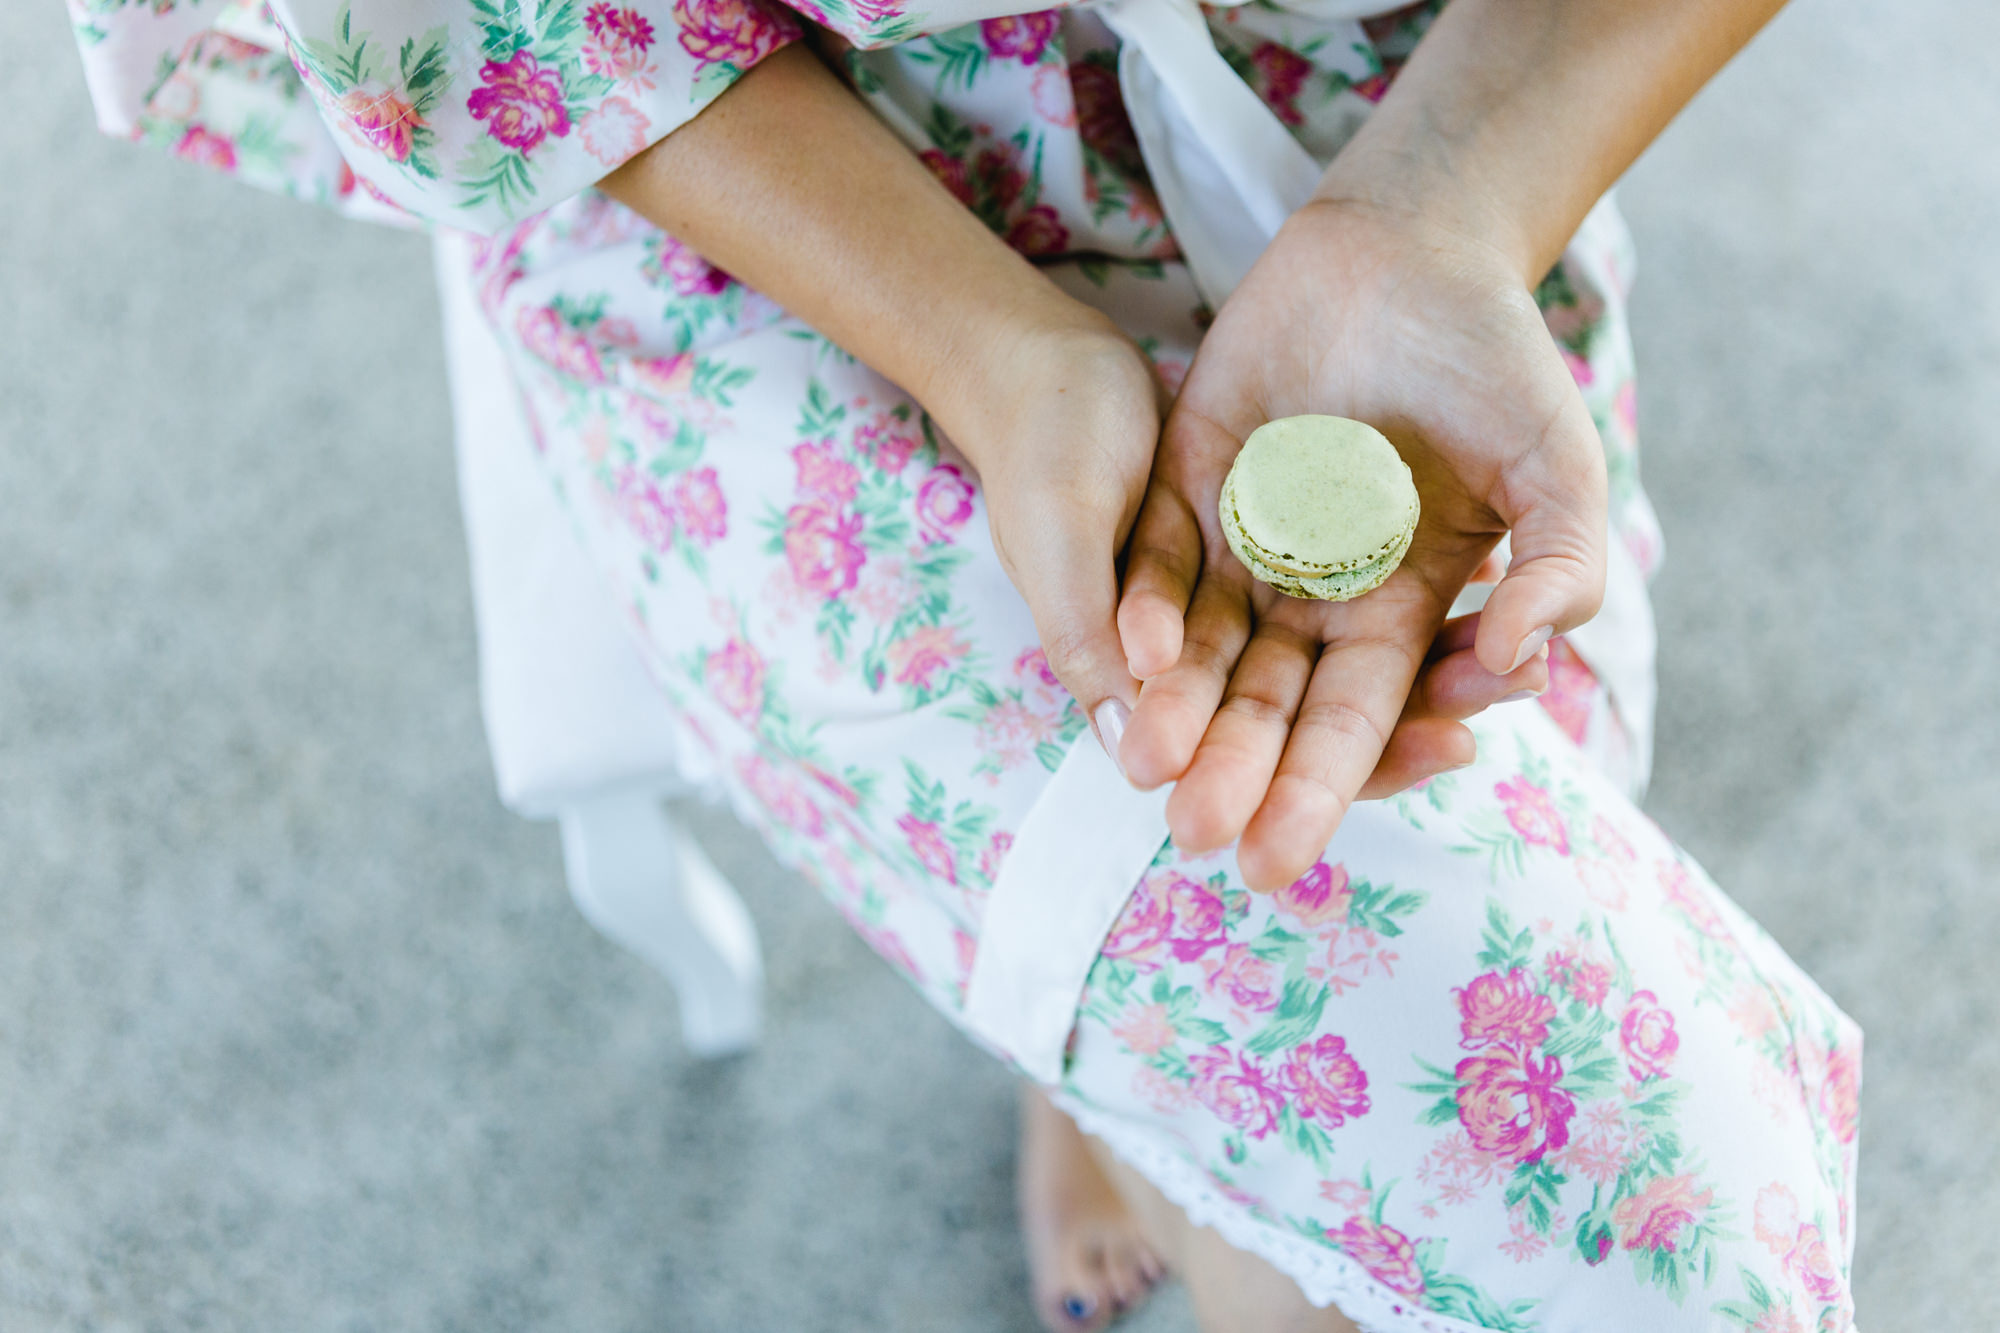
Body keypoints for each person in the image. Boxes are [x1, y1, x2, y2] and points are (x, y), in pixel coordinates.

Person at [65, 0, 1862, 1327]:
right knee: (1572, 1152)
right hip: (786, 203)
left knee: (1433, 814)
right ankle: (1118, 1092)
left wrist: (1442, 210)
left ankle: (1121, 1088)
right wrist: (995, 356)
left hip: (1405, 100)